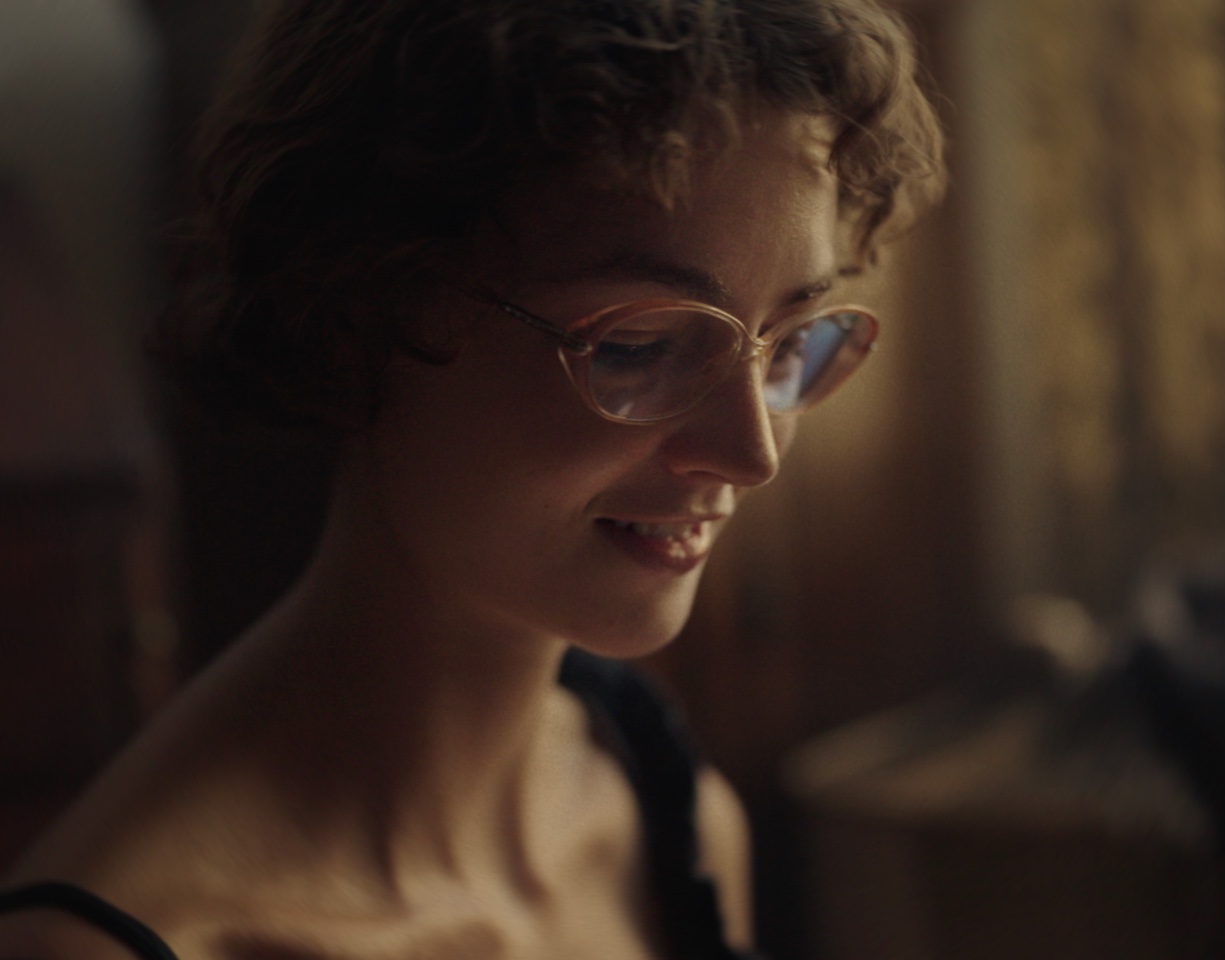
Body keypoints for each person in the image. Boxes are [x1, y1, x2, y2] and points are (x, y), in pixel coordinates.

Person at [0, 0, 942, 957]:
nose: (753, 454)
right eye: (641, 345)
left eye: (789, 343)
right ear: (355, 312)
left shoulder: (673, 820)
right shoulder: (116, 944)